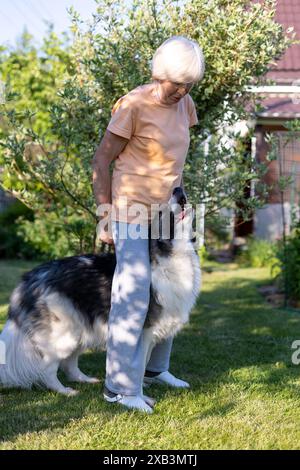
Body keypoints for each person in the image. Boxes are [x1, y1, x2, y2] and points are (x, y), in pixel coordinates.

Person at [92, 36, 205, 413]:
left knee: (176, 285)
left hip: (165, 210)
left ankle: (156, 370)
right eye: (178, 83)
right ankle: (120, 388)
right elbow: (101, 160)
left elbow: (176, 161)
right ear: (160, 74)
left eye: (190, 84)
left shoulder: (185, 104)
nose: (183, 90)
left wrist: (181, 199)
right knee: (135, 292)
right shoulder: (133, 105)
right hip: (129, 210)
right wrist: (104, 215)